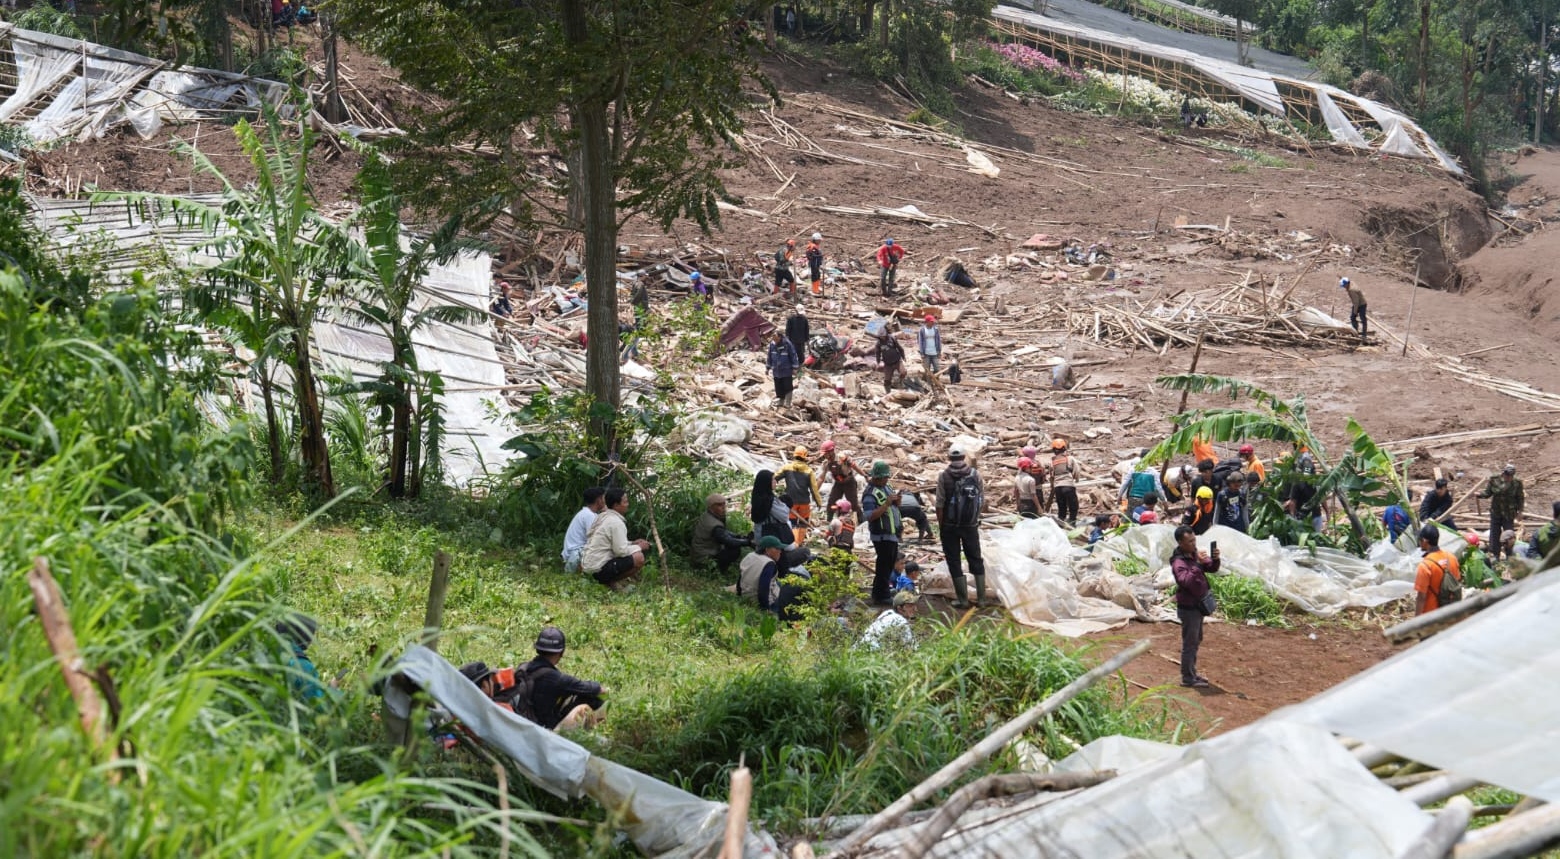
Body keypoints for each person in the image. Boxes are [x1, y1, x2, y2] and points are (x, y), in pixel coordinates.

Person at [517, 627, 607, 731]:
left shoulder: (522, 668)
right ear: (561, 652)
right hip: (543, 730)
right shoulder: (558, 679)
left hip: (519, 722)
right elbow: (597, 690)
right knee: (592, 701)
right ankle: (596, 733)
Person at [936, 448, 987, 609]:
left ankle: (963, 600)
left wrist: (941, 525)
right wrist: (974, 518)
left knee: (954, 560)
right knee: (975, 558)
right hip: (970, 525)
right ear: (964, 457)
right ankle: (982, 599)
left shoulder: (944, 475)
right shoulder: (975, 474)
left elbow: (940, 503)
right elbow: (981, 499)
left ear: (949, 458)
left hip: (950, 526)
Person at [1170, 525, 1220, 688]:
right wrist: (1197, 564)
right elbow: (1186, 581)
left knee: (1196, 640)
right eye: (1190, 542)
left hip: (1197, 607)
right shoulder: (1179, 562)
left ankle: (1191, 673)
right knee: (1190, 644)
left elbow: (1211, 568)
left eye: (1194, 540)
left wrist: (1215, 559)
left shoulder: (1193, 554)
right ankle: (1188, 678)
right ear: (1180, 543)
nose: (1193, 544)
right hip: (1188, 608)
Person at [580, 488, 651, 589]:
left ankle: (607, 582)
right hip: (597, 570)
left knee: (634, 553)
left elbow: (613, 543)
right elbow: (621, 551)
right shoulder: (616, 522)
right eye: (625, 502)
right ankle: (609, 582)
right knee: (638, 557)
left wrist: (632, 543)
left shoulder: (603, 516)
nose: (627, 504)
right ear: (616, 505)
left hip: (588, 567)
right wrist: (639, 547)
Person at [861, 460, 903, 606]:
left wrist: (897, 500)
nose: (886, 480)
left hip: (892, 534)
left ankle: (880, 591)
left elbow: (895, 506)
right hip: (881, 535)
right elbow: (869, 516)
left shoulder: (887, 487)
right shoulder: (869, 494)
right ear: (877, 478)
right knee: (884, 565)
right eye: (884, 477)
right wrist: (886, 504)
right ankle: (882, 595)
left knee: (889, 564)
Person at [691, 493, 750, 580]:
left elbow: (724, 532)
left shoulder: (708, 515)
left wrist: (739, 537)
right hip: (703, 558)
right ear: (711, 507)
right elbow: (729, 541)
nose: (723, 507)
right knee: (734, 550)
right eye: (719, 505)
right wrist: (748, 542)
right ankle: (718, 571)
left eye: (723, 504)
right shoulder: (713, 524)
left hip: (700, 553)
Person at [276, 614, 328, 703]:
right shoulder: (303, 665)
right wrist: (333, 690)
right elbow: (316, 704)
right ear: (303, 635)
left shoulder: (269, 652)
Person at [1479, 464, 1525, 562]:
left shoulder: (1517, 483)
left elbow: (1520, 498)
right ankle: (1494, 556)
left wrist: (1520, 511)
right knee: (1494, 534)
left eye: (1511, 476)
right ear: (1503, 474)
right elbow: (1488, 493)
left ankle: (1510, 557)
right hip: (1496, 511)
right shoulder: (1494, 479)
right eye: (1507, 476)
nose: (1509, 478)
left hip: (1509, 513)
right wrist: (1479, 495)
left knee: (1508, 536)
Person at [1413, 525, 1462, 616]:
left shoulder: (1425, 566)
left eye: (1420, 539)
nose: (1419, 542)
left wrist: (1417, 619)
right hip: (1451, 612)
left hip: (1432, 615)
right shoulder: (1451, 557)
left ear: (1425, 541)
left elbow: (1421, 597)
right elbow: (1457, 581)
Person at [562, 487, 607, 573]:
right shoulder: (589, 516)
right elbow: (596, 540)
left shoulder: (587, 513)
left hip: (574, 553)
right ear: (599, 500)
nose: (605, 501)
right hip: (576, 554)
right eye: (603, 498)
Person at [776, 446, 823, 525]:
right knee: (803, 525)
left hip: (791, 502)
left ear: (794, 455)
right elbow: (814, 489)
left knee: (791, 524)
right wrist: (818, 502)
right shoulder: (809, 471)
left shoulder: (787, 468)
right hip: (804, 503)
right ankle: (801, 533)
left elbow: (774, 477)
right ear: (805, 457)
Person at [737, 536, 787, 609]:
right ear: (767, 550)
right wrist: (765, 609)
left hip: (745, 594)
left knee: (779, 583)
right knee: (788, 596)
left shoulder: (750, 555)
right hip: (757, 601)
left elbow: (741, 577)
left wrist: (739, 595)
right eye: (777, 548)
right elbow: (763, 589)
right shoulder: (769, 564)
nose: (780, 551)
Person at [821, 440, 865, 521]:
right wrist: (816, 489)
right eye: (824, 454)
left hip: (849, 482)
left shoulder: (842, 458)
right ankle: (829, 520)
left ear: (831, 451)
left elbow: (854, 466)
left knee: (853, 504)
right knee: (832, 502)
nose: (825, 455)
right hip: (838, 484)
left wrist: (865, 475)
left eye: (826, 453)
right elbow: (821, 478)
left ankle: (862, 520)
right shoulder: (826, 463)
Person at [1049, 438, 1081, 527]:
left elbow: (1051, 475)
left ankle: (1060, 524)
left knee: (1061, 507)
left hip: (1058, 487)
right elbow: (1077, 470)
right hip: (1068, 485)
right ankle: (1072, 523)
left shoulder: (1052, 461)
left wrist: (1052, 486)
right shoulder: (1069, 458)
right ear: (1064, 448)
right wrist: (1076, 479)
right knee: (1073, 506)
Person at [767, 329, 801, 409]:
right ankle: (781, 401)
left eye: (776, 338)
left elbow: (793, 355)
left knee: (787, 386)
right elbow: (769, 356)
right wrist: (767, 367)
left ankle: (788, 402)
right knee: (778, 386)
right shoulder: (772, 344)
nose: (774, 340)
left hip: (786, 369)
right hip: (776, 370)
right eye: (773, 339)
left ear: (780, 337)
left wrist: (795, 368)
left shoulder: (787, 344)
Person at [875, 328, 905, 392]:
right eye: (881, 336)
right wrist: (878, 362)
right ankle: (888, 393)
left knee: (903, 372)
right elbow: (877, 353)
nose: (882, 337)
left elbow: (899, 348)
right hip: (888, 364)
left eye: (883, 336)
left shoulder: (892, 338)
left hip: (897, 361)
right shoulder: (878, 343)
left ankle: (900, 383)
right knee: (887, 380)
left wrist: (903, 356)